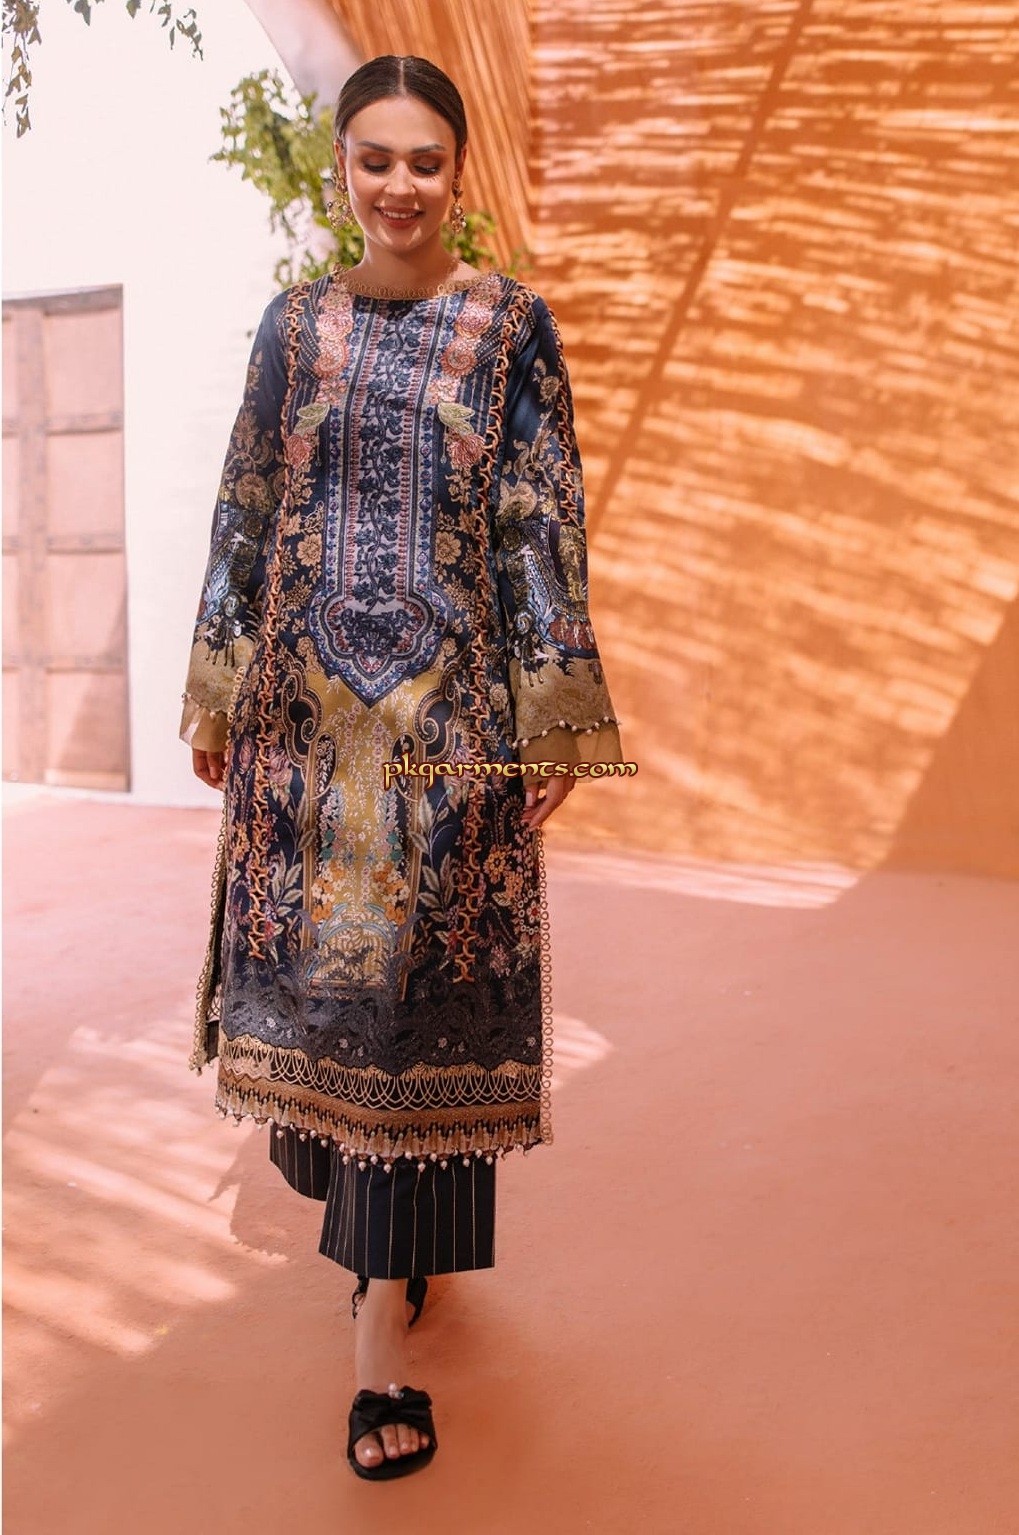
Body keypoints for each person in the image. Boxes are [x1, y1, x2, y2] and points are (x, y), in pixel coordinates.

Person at [180, 53, 622, 1480]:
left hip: (452, 742)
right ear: (342, 170)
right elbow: (248, 502)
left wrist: (552, 712)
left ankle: (379, 1349)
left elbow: (541, 522)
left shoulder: (510, 330)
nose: (400, 185)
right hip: (306, 743)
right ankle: (386, 1252)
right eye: (375, 159)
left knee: (417, 1021)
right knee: (333, 1030)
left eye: (425, 160)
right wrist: (217, 689)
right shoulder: (293, 327)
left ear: (458, 171)